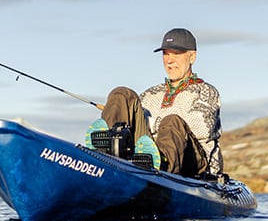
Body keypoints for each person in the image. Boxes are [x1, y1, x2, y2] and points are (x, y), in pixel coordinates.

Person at [88, 27, 223, 179]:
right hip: (149, 154)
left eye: (176, 54)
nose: (169, 60)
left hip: (193, 162)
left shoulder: (206, 92)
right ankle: (105, 150)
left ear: (192, 57)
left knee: (172, 121)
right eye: (166, 54)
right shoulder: (151, 94)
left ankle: (162, 164)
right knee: (122, 94)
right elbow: (137, 120)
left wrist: (154, 121)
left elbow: (202, 129)